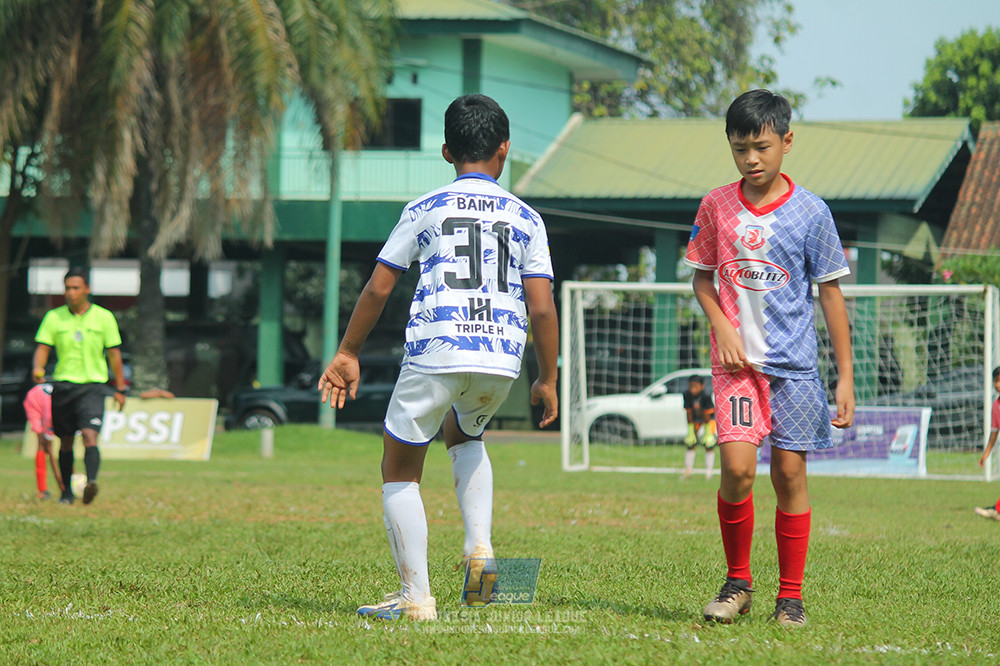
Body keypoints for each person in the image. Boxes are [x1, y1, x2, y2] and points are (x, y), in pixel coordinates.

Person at [318, 94, 559, 622]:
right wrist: (547, 378)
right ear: (505, 149)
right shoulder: (527, 218)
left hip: (437, 347)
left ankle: (415, 600)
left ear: (447, 151)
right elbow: (541, 308)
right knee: (465, 433)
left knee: (400, 466)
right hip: (500, 357)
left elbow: (380, 289)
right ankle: (481, 560)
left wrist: (347, 351)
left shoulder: (424, 208)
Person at [684, 89, 855, 627]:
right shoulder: (716, 205)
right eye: (739, 149)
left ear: (786, 139)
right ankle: (737, 583)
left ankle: (791, 597)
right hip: (735, 370)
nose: (751, 159)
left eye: (760, 146)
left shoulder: (812, 212)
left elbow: (830, 294)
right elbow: (702, 278)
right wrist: (722, 328)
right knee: (736, 470)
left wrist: (845, 376)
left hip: (796, 370)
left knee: (788, 475)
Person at [32, 266, 128, 505]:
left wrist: (121, 387)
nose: (71, 293)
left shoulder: (104, 317)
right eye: (67, 288)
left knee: (89, 435)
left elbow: (114, 354)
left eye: (76, 288)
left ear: (87, 289)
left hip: (93, 386)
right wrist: (37, 368)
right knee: (64, 440)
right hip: (63, 386)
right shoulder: (54, 317)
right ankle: (66, 494)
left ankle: (91, 482)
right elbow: (43, 348)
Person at [23, 382, 64, 500]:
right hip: (33, 400)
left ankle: (66, 484)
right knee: (42, 444)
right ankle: (42, 490)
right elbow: (50, 449)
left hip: (44, 397)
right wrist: (62, 484)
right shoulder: (50, 414)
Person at [974, 366, 1000, 520]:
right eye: (995, 381)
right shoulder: (996, 406)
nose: (997, 384)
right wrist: (986, 453)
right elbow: (994, 432)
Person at [682, 375, 717, 479]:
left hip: (708, 420)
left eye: (696, 386)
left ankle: (709, 472)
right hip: (695, 420)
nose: (693, 389)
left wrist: (707, 433)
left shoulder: (706, 395)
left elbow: (708, 414)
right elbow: (688, 413)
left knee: (708, 444)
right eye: (691, 386)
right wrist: (691, 431)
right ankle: (688, 471)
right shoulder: (687, 395)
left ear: (702, 386)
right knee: (691, 443)